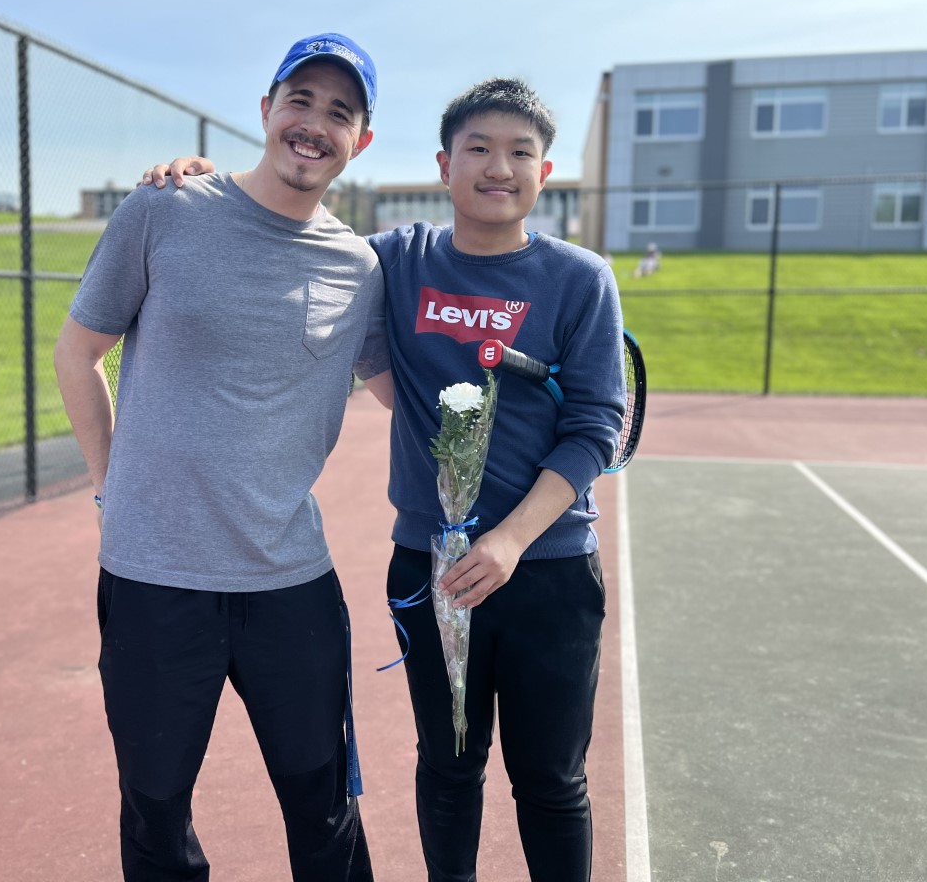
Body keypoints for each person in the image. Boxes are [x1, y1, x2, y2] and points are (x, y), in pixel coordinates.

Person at [143, 78, 626, 882]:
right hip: (428, 570)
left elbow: (594, 430)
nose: (497, 167)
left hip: (547, 573)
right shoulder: (396, 260)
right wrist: (208, 185)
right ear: (444, 165)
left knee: (549, 781)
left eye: (520, 153)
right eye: (477, 148)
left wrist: (508, 541)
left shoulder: (580, 280)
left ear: (545, 172)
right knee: (447, 767)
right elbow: (294, 224)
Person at [54, 32, 387, 882]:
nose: (315, 125)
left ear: (362, 141)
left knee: (325, 811)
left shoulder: (361, 268)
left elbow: (403, 391)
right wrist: (111, 490)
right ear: (267, 109)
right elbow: (76, 353)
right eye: (301, 102)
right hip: (154, 581)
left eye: (339, 113)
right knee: (157, 814)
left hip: (290, 585)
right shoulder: (165, 210)